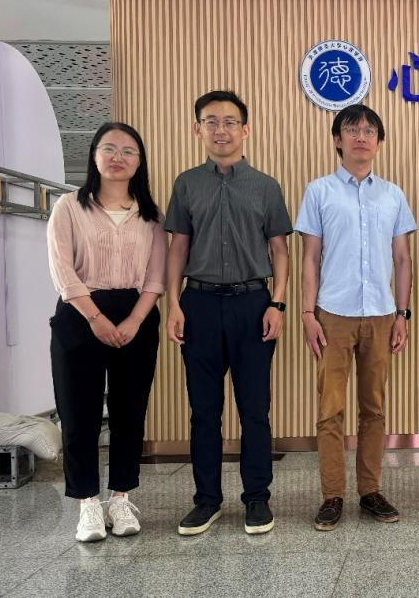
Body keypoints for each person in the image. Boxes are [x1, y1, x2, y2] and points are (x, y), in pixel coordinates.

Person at [165, 90, 293, 536]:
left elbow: (280, 250)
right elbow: (177, 248)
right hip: (198, 304)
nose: (221, 130)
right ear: (197, 128)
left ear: (246, 129)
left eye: (230, 122)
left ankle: (257, 498)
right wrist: (173, 304)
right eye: (211, 121)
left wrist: (277, 303)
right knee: (204, 411)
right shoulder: (186, 184)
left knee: (255, 408)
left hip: (252, 304)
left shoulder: (266, 186)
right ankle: (207, 500)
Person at [296, 104, 416, 531]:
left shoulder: (393, 194)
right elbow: (310, 258)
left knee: (374, 408)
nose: (361, 137)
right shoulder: (319, 191)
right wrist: (307, 313)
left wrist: (402, 314)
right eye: (352, 130)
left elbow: (402, 260)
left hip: (381, 315)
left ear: (379, 142)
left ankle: (370, 490)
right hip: (333, 314)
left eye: (369, 131)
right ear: (338, 139)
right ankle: (332, 495)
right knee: (330, 410)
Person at [47, 122, 166, 542]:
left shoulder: (151, 216)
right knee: (78, 413)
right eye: (109, 148)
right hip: (80, 314)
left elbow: (156, 277)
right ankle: (88, 505)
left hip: (137, 315)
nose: (119, 157)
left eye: (129, 151)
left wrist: (134, 321)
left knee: (129, 411)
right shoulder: (68, 207)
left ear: (140, 162)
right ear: (94, 155)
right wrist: (96, 318)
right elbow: (63, 271)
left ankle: (120, 498)